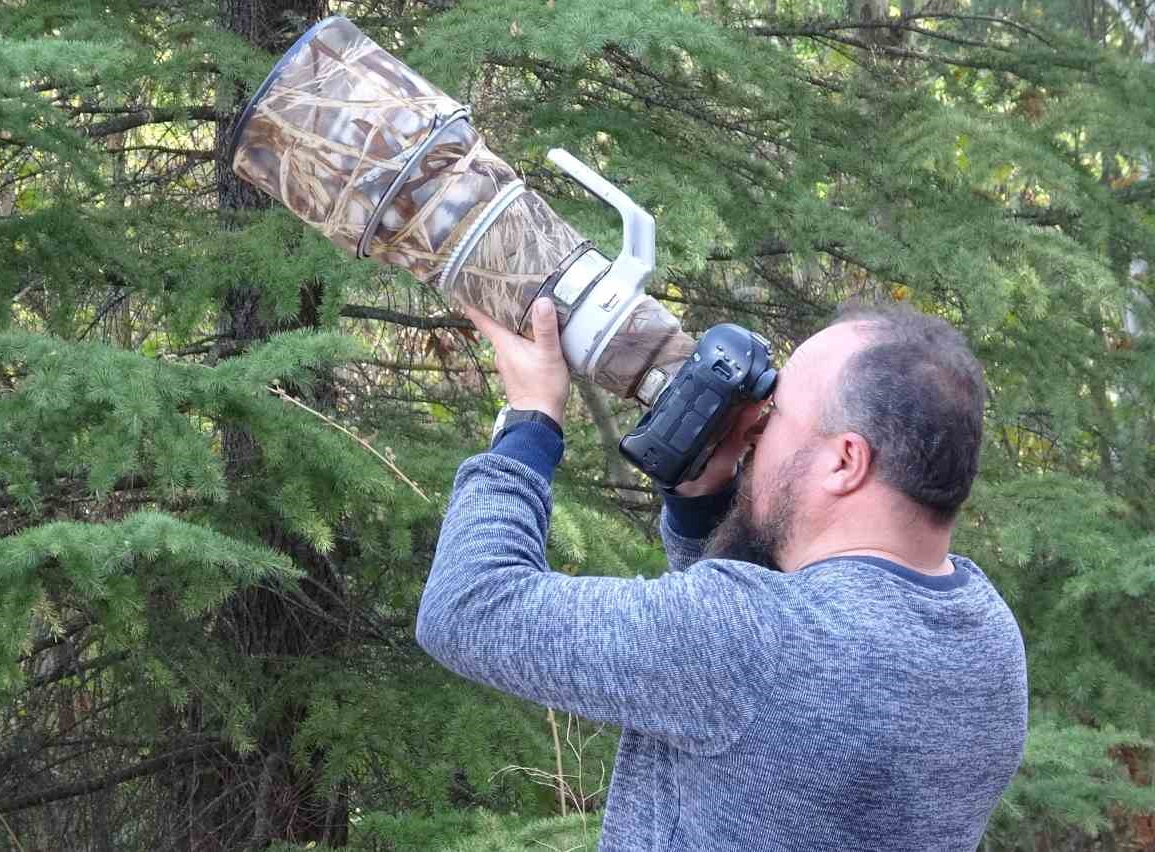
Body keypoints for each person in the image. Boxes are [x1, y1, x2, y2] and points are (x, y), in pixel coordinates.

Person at [416, 297, 1028, 851]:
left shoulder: (760, 639)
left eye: (775, 417)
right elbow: (763, 708)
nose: (756, 434)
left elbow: (469, 606)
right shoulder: (989, 640)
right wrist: (704, 499)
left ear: (846, 460)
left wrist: (529, 425)